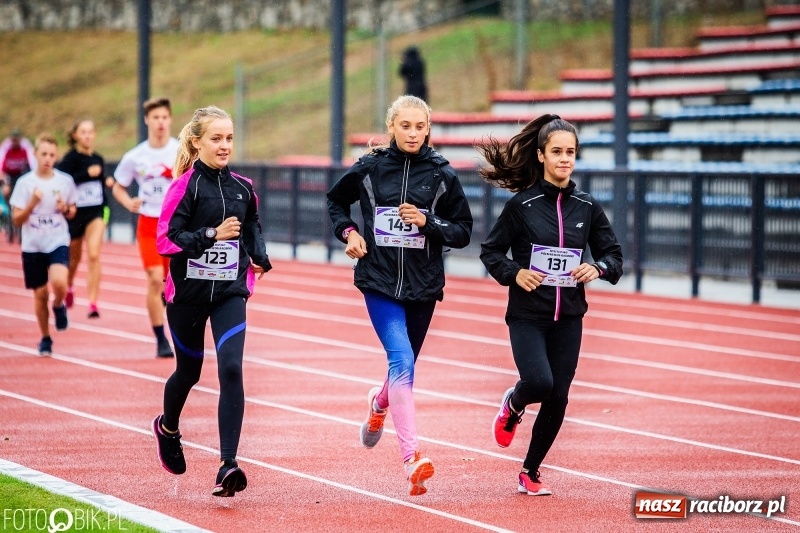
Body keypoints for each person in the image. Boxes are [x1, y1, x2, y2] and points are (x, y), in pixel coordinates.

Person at [326, 95, 473, 496]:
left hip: (423, 286)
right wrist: (349, 233)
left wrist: (428, 221)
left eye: (419, 126)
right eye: (405, 126)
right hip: (378, 280)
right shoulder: (370, 167)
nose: (412, 133)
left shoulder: (442, 174)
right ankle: (412, 459)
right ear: (391, 126)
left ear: (428, 129)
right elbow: (336, 200)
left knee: (402, 368)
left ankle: (378, 404)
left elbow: (463, 231)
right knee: (402, 361)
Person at [477, 114, 623, 496]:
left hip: (569, 317)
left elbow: (614, 255)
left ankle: (530, 470)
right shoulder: (522, 205)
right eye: (557, 152)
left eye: (570, 152)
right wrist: (515, 273)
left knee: (559, 395)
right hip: (528, 315)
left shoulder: (587, 207)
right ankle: (514, 403)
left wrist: (598, 267)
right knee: (540, 382)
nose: (564, 159)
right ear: (541, 155)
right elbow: (491, 251)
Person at [152, 105, 272, 498]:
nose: (224, 145)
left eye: (229, 138)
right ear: (196, 142)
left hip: (229, 292)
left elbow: (251, 224)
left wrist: (260, 255)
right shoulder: (183, 187)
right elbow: (165, 240)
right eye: (216, 138)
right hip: (187, 296)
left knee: (232, 368)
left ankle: (227, 465)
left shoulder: (242, 187)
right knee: (188, 372)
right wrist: (210, 235)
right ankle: (168, 427)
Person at [112, 97, 179, 358]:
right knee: (154, 278)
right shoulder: (135, 156)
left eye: (164, 117)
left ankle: (176, 328)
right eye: (155, 117)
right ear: (147, 120)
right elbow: (118, 186)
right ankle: (161, 339)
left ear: (170, 119)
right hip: (149, 224)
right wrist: (127, 201)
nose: (160, 122)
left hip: (176, 225)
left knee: (174, 283)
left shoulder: (181, 151)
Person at [9, 134, 77, 356]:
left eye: (51, 155)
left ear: (56, 156)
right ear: (36, 154)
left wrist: (65, 208)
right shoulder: (24, 183)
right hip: (33, 245)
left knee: (59, 283)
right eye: (44, 154)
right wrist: (32, 204)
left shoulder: (64, 181)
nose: (47, 158)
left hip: (57, 240)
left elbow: (72, 211)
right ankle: (45, 338)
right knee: (40, 294)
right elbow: (17, 219)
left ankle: (58, 305)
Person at [56, 119, 106, 318]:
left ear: (94, 134)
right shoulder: (69, 159)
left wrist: (107, 181)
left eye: (90, 132)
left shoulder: (98, 158)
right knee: (73, 259)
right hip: (75, 214)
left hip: (96, 212)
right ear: (75, 135)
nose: (87, 135)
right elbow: (62, 183)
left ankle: (93, 303)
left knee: (94, 254)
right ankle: (68, 285)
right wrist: (86, 173)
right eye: (83, 132)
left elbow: (99, 184)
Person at [1, 128, 36, 243]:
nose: (15, 141)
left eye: (17, 139)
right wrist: (5, 184)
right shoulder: (7, 149)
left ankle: (21, 232)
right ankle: (9, 227)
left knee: (21, 205)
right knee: (9, 203)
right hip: (9, 179)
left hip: (21, 179)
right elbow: (2, 169)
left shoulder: (24, 149)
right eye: (13, 139)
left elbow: (31, 166)